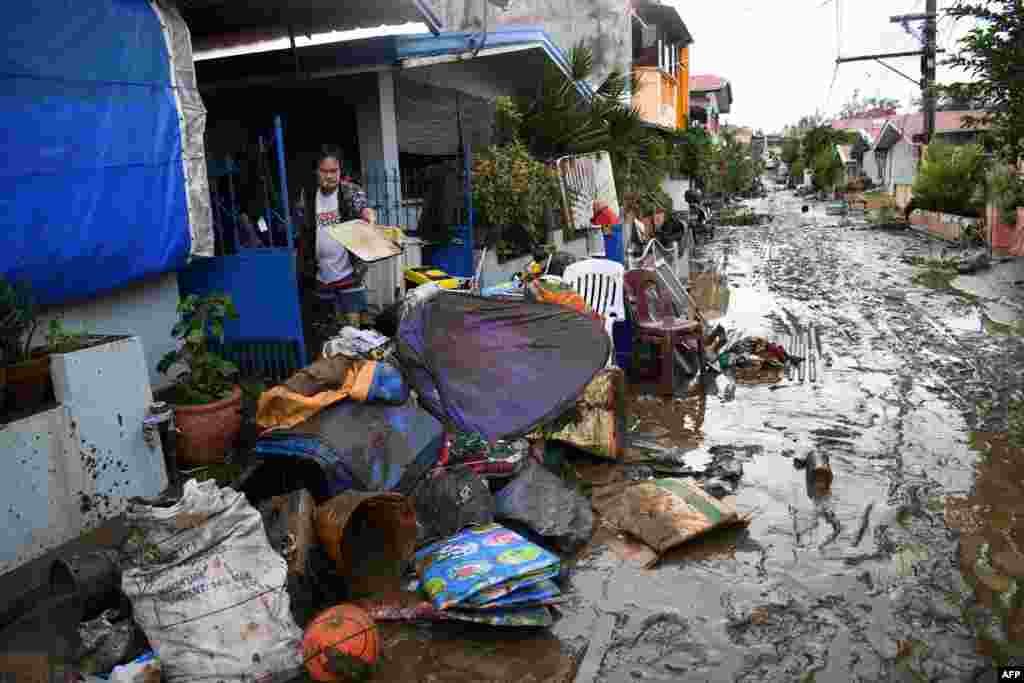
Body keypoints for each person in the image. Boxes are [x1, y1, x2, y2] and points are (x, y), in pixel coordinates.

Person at [298, 145, 377, 330]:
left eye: (334, 171)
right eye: (325, 171)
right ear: (317, 172)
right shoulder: (308, 195)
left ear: (340, 171)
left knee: (353, 330)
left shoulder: (350, 191)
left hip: (349, 272)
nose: (330, 176)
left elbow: (363, 207)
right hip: (321, 274)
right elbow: (304, 228)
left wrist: (369, 217)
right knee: (328, 329)